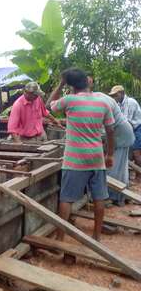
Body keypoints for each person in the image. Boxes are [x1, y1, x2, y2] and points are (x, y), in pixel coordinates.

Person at [48, 68, 114, 241]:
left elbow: (49, 104)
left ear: (71, 85)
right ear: (87, 81)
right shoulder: (103, 103)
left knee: (67, 199)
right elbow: (110, 131)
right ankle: (97, 236)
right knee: (99, 197)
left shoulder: (70, 101)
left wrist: (61, 83)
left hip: (74, 159)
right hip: (97, 157)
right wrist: (110, 155)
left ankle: (60, 238)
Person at [88, 78, 134, 206]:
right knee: (121, 167)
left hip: (121, 133)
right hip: (123, 132)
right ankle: (121, 196)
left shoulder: (98, 101)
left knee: (113, 167)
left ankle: (112, 196)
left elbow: (106, 128)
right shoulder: (98, 97)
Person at [109, 85, 141, 176]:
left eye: (116, 95)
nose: (114, 97)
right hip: (129, 129)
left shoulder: (130, 102)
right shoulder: (119, 104)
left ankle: (139, 174)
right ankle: (133, 175)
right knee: (128, 153)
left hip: (137, 128)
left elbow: (127, 122)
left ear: (122, 93)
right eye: (113, 96)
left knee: (136, 153)